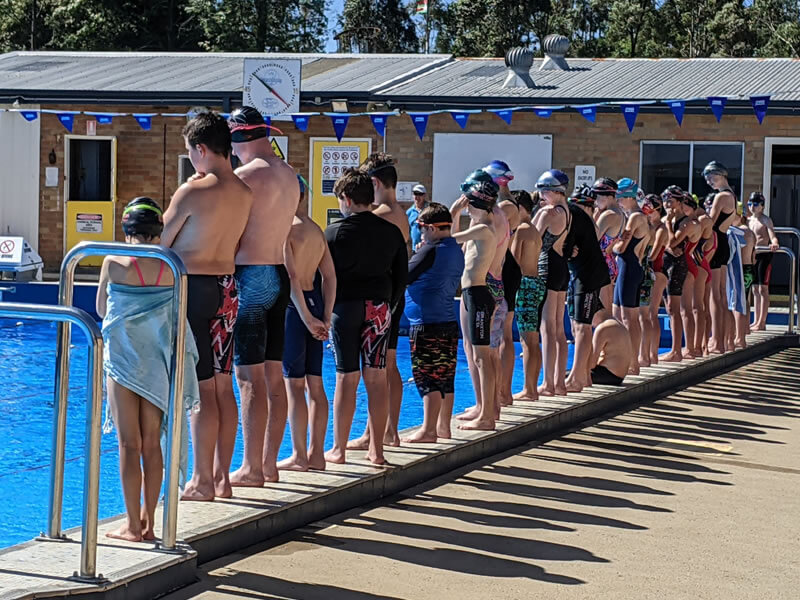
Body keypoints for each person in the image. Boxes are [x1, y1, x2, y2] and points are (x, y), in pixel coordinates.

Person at [162, 111, 252, 501]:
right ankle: (222, 477)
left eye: (190, 153)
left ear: (201, 149)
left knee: (198, 391)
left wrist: (185, 188)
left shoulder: (192, 192)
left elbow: (160, 242)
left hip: (192, 289)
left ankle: (200, 482)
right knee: (221, 385)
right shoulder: (245, 192)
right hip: (227, 289)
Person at [98, 198, 200, 541]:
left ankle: (131, 525)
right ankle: (151, 524)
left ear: (126, 230)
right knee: (152, 444)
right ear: (159, 231)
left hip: (123, 364)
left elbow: (101, 309)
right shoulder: (171, 266)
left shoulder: (113, 262)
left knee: (129, 444)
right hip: (157, 365)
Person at [225, 106, 300, 487]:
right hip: (278, 276)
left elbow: (227, 231)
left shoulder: (244, 178)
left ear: (238, 138)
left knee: (247, 377)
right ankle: (268, 463)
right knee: (274, 376)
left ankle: (251, 467)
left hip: (251, 279)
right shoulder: (289, 175)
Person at [324, 168, 407, 465]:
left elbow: (323, 278)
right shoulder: (391, 232)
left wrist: (323, 313)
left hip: (344, 308)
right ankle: (377, 450)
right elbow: (401, 276)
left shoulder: (333, 233)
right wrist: (389, 305)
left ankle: (339, 449)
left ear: (346, 199)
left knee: (346, 377)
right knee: (376, 377)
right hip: (379, 307)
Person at [348, 153, 409, 450]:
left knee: (377, 369)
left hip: (380, 299)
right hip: (394, 296)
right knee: (389, 365)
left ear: (373, 182)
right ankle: (389, 431)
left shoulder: (381, 216)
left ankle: (376, 433)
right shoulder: (400, 212)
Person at [278, 176, 336, 472]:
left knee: (293, 385)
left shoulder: (285, 231)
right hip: (314, 302)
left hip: (295, 309)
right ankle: (317, 454)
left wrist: (306, 317)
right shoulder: (316, 230)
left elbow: (289, 278)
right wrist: (325, 315)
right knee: (316, 384)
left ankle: (299, 455)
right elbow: (330, 277)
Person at [401, 203, 465, 443]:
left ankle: (428, 430)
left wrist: (420, 251)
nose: (421, 234)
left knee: (427, 376)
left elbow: (404, 275)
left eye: (421, 228)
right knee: (445, 375)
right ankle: (443, 428)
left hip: (426, 323)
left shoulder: (431, 250)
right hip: (447, 321)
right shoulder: (455, 249)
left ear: (432, 228)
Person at [450, 176, 500, 430]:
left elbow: (448, 237)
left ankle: (487, 417)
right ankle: (485, 409)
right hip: (473, 294)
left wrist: (453, 211)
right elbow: (458, 248)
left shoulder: (483, 229)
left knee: (481, 357)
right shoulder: (480, 227)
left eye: (469, 204)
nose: (466, 208)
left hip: (479, 295)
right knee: (481, 356)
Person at [564, 185, 611, 392]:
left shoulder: (576, 217)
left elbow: (566, 248)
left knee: (582, 326)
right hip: (584, 274)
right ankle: (583, 374)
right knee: (578, 326)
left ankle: (577, 376)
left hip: (589, 276)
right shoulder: (584, 219)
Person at [532, 169, 571, 396]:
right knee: (558, 327)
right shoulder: (567, 210)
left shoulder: (549, 213)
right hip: (562, 267)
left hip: (548, 267)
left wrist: (539, 211)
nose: (541, 196)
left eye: (544, 191)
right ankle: (559, 383)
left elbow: (531, 236)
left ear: (554, 191)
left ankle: (548, 383)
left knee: (548, 328)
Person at [485, 161, 520, 409]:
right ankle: (500, 391)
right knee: (501, 336)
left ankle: (502, 392)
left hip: (506, 269)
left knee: (503, 336)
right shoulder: (507, 205)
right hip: (506, 267)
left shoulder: (505, 207)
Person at [612, 178, 649, 374]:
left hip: (629, 268)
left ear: (629, 197)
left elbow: (620, 247)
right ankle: (628, 360)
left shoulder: (635, 218)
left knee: (628, 318)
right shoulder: (637, 217)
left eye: (619, 198)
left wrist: (609, 243)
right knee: (620, 315)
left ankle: (633, 362)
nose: (617, 202)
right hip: (631, 268)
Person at [510, 190, 544, 400]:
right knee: (533, 339)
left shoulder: (521, 230)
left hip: (525, 285)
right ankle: (532, 386)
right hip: (537, 284)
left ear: (520, 208)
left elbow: (513, 262)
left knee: (527, 340)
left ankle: (529, 389)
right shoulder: (534, 229)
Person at [704, 161, 738, 353]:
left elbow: (710, 222)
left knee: (715, 295)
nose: (710, 181)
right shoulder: (732, 195)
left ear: (723, 175)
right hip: (723, 242)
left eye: (713, 177)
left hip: (715, 244)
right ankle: (726, 340)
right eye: (708, 178)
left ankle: (717, 341)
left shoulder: (721, 197)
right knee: (722, 295)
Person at [660, 187, 690, 362]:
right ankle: (675, 349)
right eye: (665, 200)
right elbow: (665, 244)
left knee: (674, 308)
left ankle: (676, 350)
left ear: (679, 203)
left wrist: (669, 225)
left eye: (670, 201)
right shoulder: (666, 220)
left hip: (677, 266)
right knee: (668, 307)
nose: (667, 204)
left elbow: (672, 241)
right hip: (665, 263)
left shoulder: (684, 222)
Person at [640, 194, 668, 365]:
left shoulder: (661, 229)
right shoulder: (649, 226)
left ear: (658, 210)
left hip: (658, 271)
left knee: (652, 313)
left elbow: (653, 254)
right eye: (645, 210)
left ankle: (652, 355)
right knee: (648, 313)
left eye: (650, 211)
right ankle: (649, 354)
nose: (648, 214)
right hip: (650, 271)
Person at [748, 192, 780, 330]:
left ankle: (762, 322)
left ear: (762, 206)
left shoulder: (766, 220)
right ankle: (756, 321)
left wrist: (774, 243)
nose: (752, 207)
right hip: (752, 255)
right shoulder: (749, 220)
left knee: (763, 289)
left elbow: (772, 236)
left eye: (755, 204)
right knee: (755, 289)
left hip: (764, 255)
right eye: (750, 204)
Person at [594, 178, 625, 310]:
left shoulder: (608, 215)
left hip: (602, 265)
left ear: (607, 196)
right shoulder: (621, 214)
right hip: (609, 262)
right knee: (607, 309)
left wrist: (594, 215)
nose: (595, 201)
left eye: (596, 197)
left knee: (602, 312)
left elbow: (592, 239)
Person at [679, 193, 702, 358]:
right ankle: (694, 347)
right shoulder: (696, 223)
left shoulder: (689, 224)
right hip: (691, 263)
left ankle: (690, 348)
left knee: (685, 309)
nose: (681, 208)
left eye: (684, 205)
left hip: (687, 264)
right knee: (691, 308)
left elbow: (673, 243)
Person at [693, 195, 715, 356]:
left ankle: (698, 346)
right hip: (705, 265)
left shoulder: (698, 223)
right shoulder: (712, 229)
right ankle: (705, 344)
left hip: (699, 266)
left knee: (697, 309)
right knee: (705, 308)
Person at [591, 309, 634, 387]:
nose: (591, 324)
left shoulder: (602, 328)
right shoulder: (618, 324)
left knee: (568, 375)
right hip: (619, 376)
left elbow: (591, 364)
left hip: (608, 375)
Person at [407, 184, 428, 253]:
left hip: (428, 248)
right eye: (415, 194)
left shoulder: (430, 209)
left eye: (420, 194)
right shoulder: (409, 212)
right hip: (415, 249)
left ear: (424, 195)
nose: (417, 197)